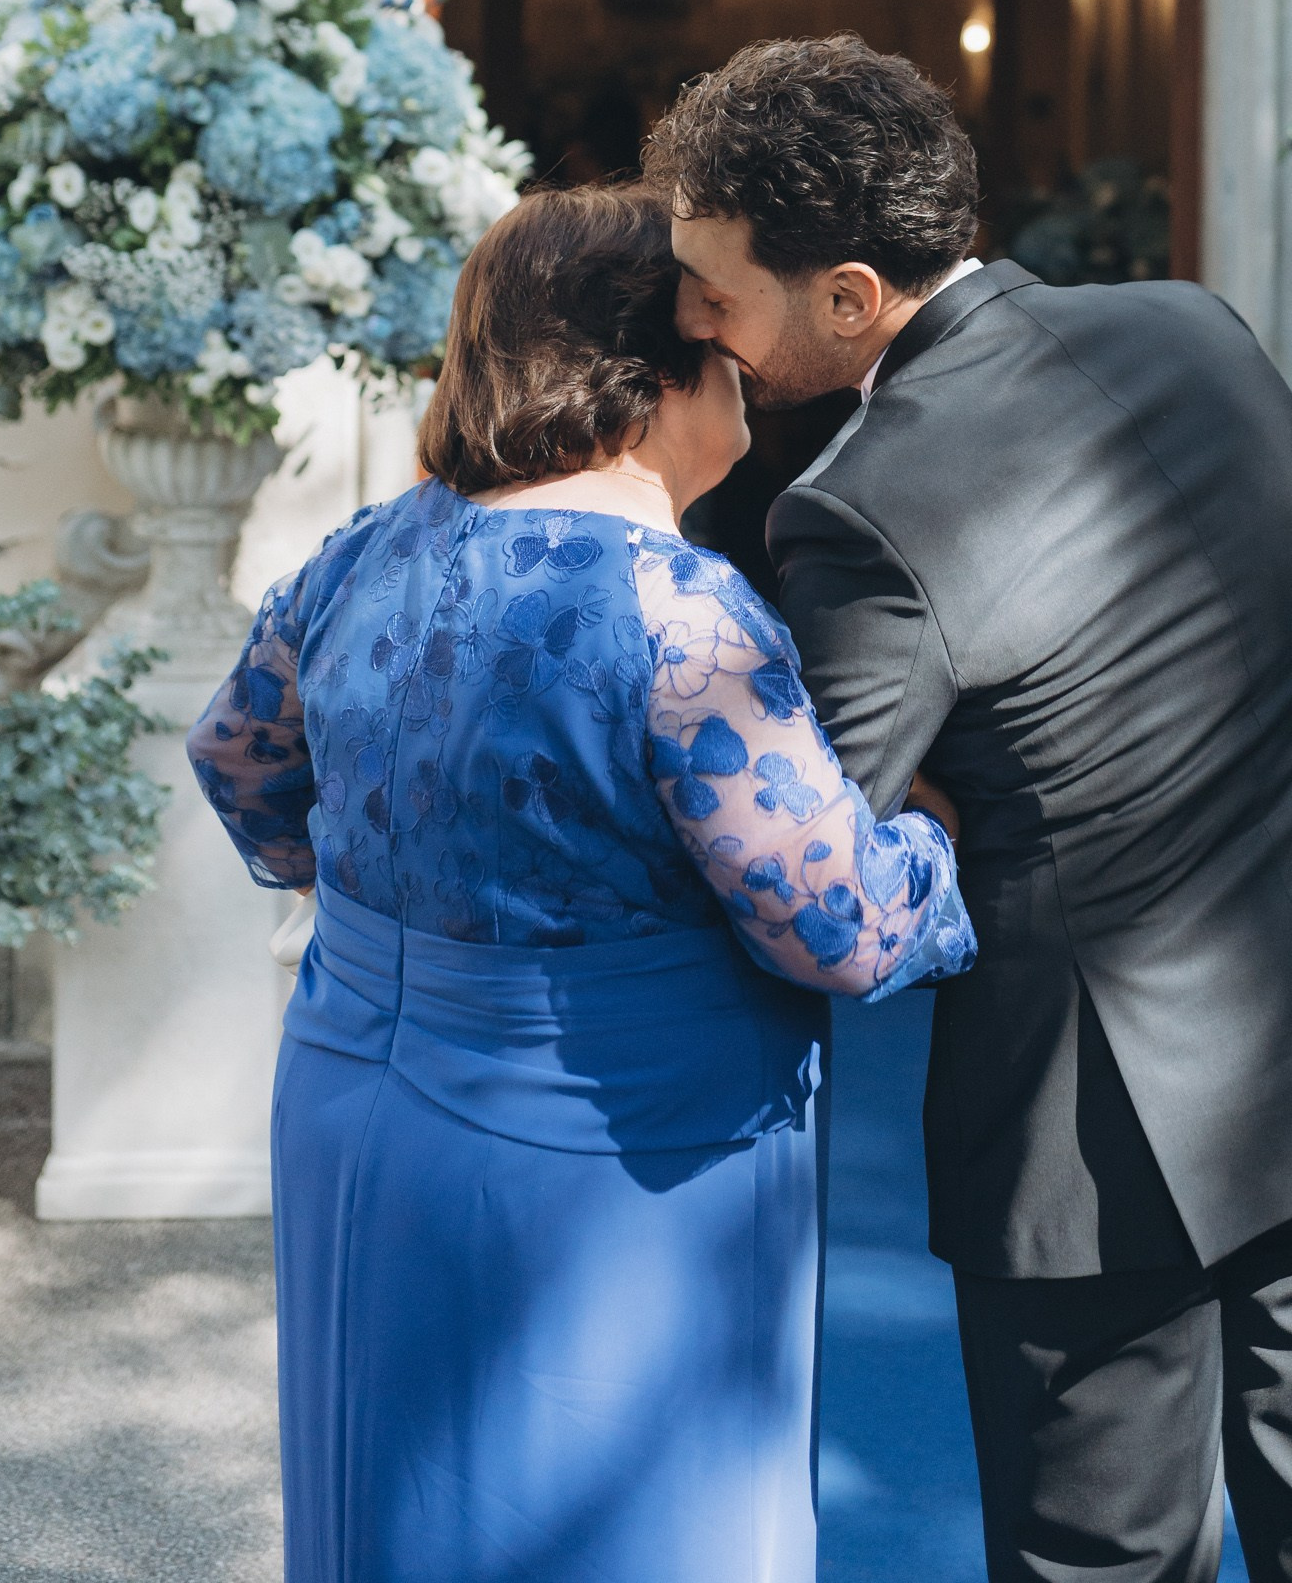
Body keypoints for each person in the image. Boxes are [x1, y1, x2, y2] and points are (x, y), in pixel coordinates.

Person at [651, 35, 1292, 1583]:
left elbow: (816, 856)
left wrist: (965, 810)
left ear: (845, 295)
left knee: (1104, 1561)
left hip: (1097, 1136)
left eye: (717, 293)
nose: (698, 326)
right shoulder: (1198, 327)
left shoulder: (859, 504)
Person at [186, 184, 974, 1583]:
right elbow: (838, 926)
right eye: (718, 327)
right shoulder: (680, 608)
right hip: (600, 1144)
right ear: (653, 369)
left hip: (355, 1094)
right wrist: (937, 830)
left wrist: (384, 891)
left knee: (395, 1498)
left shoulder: (367, 551)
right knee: (620, 1523)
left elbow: (241, 764)